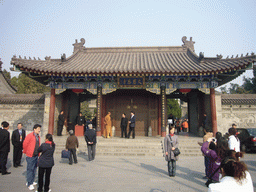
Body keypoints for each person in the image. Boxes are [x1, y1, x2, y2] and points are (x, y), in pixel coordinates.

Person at [23, 124, 41, 190]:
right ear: (34, 129)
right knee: (30, 169)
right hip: (30, 155)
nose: (39, 130)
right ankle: (29, 183)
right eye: (38, 128)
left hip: (36, 155)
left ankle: (32, 181)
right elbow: (25, 144)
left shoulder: (38, 136)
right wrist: (27, 151)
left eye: (39, 129)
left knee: (34, 169)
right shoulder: (30, 135)